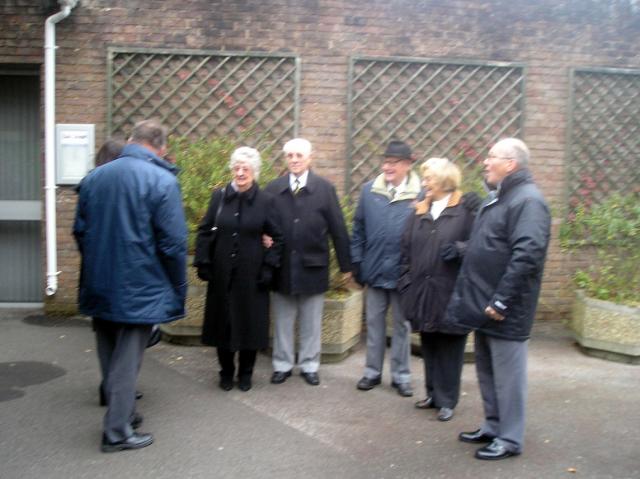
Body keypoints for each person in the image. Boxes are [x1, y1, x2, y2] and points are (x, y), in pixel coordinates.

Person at [73, 119, 188, 453]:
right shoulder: (162, 180)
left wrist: (96, 263)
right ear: (159, 146)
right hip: (140, 286)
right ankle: (117, 432)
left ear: (132, 141)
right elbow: (173, 244)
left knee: (110, 354)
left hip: (99, 281)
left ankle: (123, 413)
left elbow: (80, 232)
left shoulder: (95, 178)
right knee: (127, 361)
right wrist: (176, 287)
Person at [446, 138, 551, 460]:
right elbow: (486, 246)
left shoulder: (528, 201)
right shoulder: (499, 199)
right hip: (484, 304)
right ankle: (493, 426)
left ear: (512, 164)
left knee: (508, 378)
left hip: (505, 309)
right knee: (488, 372)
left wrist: (502, 300)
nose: (486, 162)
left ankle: (510, 439)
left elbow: (528, 254)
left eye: (492, 157)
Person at [194, 147, 283, 392]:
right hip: (222, 273)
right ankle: (226, 372)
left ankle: (246, 372)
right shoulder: (219, 197)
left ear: (254, 172)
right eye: (237, 167)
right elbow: (204, 231)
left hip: (252, 275)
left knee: (249, 324)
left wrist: (269, 267)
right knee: (223, 323)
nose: (241, 172)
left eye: (246, 168)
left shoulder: (267, 201)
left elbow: (278, 236)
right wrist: (203, 261)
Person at [265, 138, 351, 386]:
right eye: (290, 155)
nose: (294, 160)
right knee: (282, 320)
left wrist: (346, 266)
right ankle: (282, 364)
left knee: (311, 321)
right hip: (281, 266)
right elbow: (263, 224)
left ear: (310, 158)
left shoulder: (325, 189)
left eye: (299, 155)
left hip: (313, 266)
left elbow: (338, 229)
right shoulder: (273, 189)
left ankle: (309, 364)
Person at [398, 157, 479, 420]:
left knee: (450, 348)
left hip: (451, 291)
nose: (424, 184)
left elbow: (481, 244)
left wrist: (460, 249)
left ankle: (448, 400)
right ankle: (433, 394)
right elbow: (406, 249)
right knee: (429, 343)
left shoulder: (465, 210)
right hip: (422, 290)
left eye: (429, 178)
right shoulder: (419, 211)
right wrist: (405, 281)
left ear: (445, 181)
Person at [351, 140, 422, 397]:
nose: (387, 167)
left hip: (404, 275)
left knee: (402, 325)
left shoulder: (421, 194)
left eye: (393, 162)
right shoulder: (370, 190)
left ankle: (401, 376)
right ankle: (372, 372)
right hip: (375, 270)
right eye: (385, 162)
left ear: (406, 165)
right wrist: (357, 261)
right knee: (374, 324)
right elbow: (358, 229)